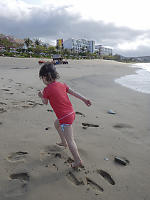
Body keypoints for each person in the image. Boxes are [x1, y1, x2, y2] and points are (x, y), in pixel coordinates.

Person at [38, 62, 91, 168]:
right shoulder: (62, 84)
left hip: (65, 117)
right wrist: (84, 99)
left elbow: (45, 102)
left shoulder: (46, 90)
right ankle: (63, 142)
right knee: (56, 124)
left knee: (71, 140)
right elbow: (74, 92)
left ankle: (77, 161)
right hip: (71, 113)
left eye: (42, 78)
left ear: (44, 77)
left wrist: (41, 96)